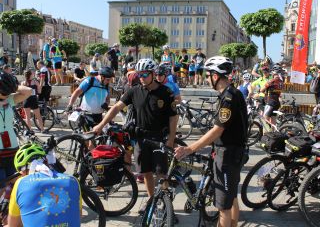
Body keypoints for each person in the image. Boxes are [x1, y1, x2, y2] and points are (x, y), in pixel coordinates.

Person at [92, 58, 178, 213]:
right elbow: (116, 107)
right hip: (140, 138)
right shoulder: (134, 90)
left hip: (159, 138)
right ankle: (152, 200)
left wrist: (171, 139)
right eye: (140, 75)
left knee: (161, 173)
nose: (142, 78)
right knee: (146, 172)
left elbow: (173, 117)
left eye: (145, 74)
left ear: (152, 74)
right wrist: (101, 124)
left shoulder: (165, 92)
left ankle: (166, 206)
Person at [174, 56, 248, 227]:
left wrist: (189, 149)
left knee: (223, 207)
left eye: (208, 76)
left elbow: (218, 130)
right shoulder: (231, 94)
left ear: (215, 76)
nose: (206, 79)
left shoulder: (228, 98)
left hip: (228, 156)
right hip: (233, 153)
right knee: (231, 197)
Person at [8, 143, 81, 227]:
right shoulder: (73, 180)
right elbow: (78, 215)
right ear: (46, 162)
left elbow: (13, 225)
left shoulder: (21, 183)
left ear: (23, 171)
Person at [0, 72, 32, 192]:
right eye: (3, 92)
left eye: (7, 92)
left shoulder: (9, 100)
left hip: (12, 148)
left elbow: (28, 91)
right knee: (2, 187)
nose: (5, 95)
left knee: (15, 184)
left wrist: (13, 85)